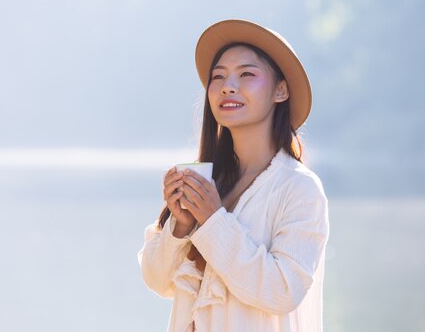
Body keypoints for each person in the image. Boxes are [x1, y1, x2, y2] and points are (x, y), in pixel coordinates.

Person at [137, 19, 330, 332]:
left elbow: (282, 292)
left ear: (281, 90)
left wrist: (213, 220)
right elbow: (157, 280)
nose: (228, 86)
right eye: (219, 76)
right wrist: (181, 226)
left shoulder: (299, 188)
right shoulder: (207, 180)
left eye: (247, 74)